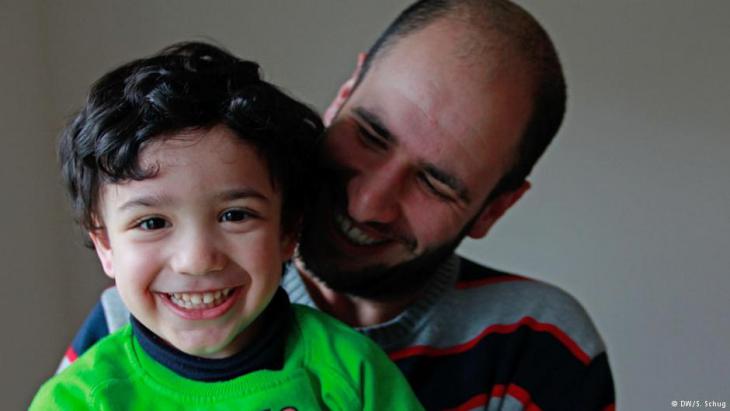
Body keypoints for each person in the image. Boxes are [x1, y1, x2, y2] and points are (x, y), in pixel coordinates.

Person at [59, 1, 616, 409]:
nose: (369, 201)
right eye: (371, 134)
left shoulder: (537, 341)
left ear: (495, 208)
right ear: (344, 94)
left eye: (436, 182)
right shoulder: (121, 330)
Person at [32, 42, 423, 410]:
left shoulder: (351, 373)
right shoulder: (79, 399)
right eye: (152, 222)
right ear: (106, 246)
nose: (197, 260)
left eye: (235, 215)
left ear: (288, 231)